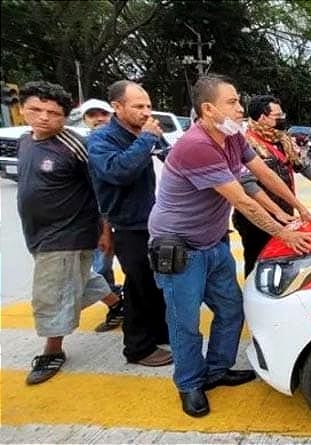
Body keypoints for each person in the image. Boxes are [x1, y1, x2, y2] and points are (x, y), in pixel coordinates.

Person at [148, 74, 311, 418]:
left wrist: (295, 209)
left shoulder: (232, 137)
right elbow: (243, 202)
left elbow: (260, 179)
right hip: (180, 248)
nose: (240, 108)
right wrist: (284, 234)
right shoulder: (196, 144)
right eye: (233, 102)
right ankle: (190, 383)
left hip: (213, 243)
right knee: (185, 322)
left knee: (230, 309)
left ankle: (217, 369)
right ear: (208, 109)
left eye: (239, 101)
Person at [16, 81, 123, 384]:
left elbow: (100, 189)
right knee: (79, 278)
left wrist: (105, 229)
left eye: (53, 112)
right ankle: (118, 305)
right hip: (37, 231)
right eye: (36, 109)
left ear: (65, 116)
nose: (43, 117)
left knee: (50, 293)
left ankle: (52, 350)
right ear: (22, 108)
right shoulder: (26, 141)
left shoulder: (74, 145)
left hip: (69, 232)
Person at [88, 80, 172, 367]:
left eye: (148, 105)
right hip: (128, 224)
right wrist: (147, 139)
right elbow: (118, 172)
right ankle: (137, 348)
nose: (146, 112)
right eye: (138, 106)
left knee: (157, 283)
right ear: (117, 106)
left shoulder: (147, 132)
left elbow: (172, 161)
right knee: (138, 286)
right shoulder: (102, 139)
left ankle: (161, 332)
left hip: (156, 221)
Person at [234, 94, 311, 277]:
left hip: (285, 214)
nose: (282, 118)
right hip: (257, 218)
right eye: (278, 115)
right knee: (257, 262)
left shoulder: (283, 140)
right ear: (262, 117)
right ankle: (254, 301)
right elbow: (250, 186)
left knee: (280, 259)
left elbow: (303, 165)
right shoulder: (248, 144)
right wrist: (278, 211)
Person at [79, 98, 125, 332]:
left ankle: (119, 306)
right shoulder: (83, 145)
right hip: (93, 221)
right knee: (101, 269)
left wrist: (106, 230)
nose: (98, 119)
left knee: (101, 269)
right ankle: (116, 307)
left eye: (103, 114)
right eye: (91, 115)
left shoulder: (118, 143)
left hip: (115, 220)